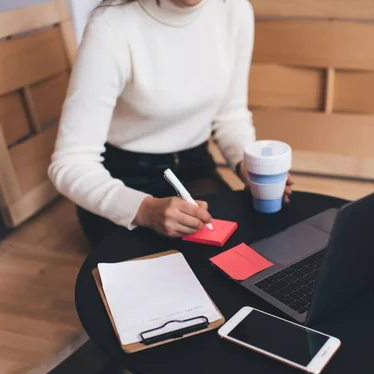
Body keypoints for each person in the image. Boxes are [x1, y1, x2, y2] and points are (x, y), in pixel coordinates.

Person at [49, 0, 293, 246]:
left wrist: (249, 167)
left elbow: (230, 115)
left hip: (194, 165)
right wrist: (144, 210)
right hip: (122, 179)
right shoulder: (110, 27)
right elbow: (71, 162)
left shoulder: (234, 10)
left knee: (237, 247)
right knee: (160, 267)